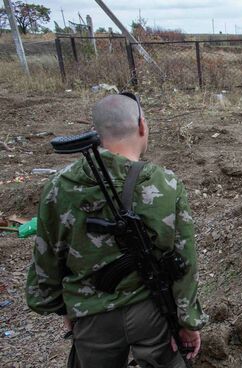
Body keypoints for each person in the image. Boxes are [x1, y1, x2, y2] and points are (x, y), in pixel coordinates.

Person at [25, 93, 209, 368]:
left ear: (96, 133)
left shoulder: (58, 186)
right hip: (153, 311)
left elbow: (47, 257)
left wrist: (64, 307)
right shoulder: (166, 184)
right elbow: (184, 261)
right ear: (142, 126)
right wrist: (187, 322)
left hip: (91, 316)